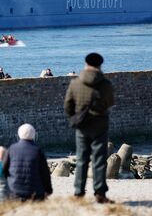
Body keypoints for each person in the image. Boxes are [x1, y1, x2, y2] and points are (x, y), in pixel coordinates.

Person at [64, 53, 115, 204]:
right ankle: (100, 193)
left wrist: (74, 117)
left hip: (82, 125)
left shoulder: (75, 83)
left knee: (81, 159)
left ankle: (79, 192)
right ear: (100, 65)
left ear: (86, 64)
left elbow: (67, 105)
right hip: (100, 124)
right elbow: (110, 102)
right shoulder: (105, 84)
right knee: (99, 160)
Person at [2, 124, 52, 201]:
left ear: (18, 135)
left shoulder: (11, 149)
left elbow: (4, 170)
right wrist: (48, 190)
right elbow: (45, 173)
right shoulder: (38, 151)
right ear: (34, 135)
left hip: (15, 192)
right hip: (35, 193)